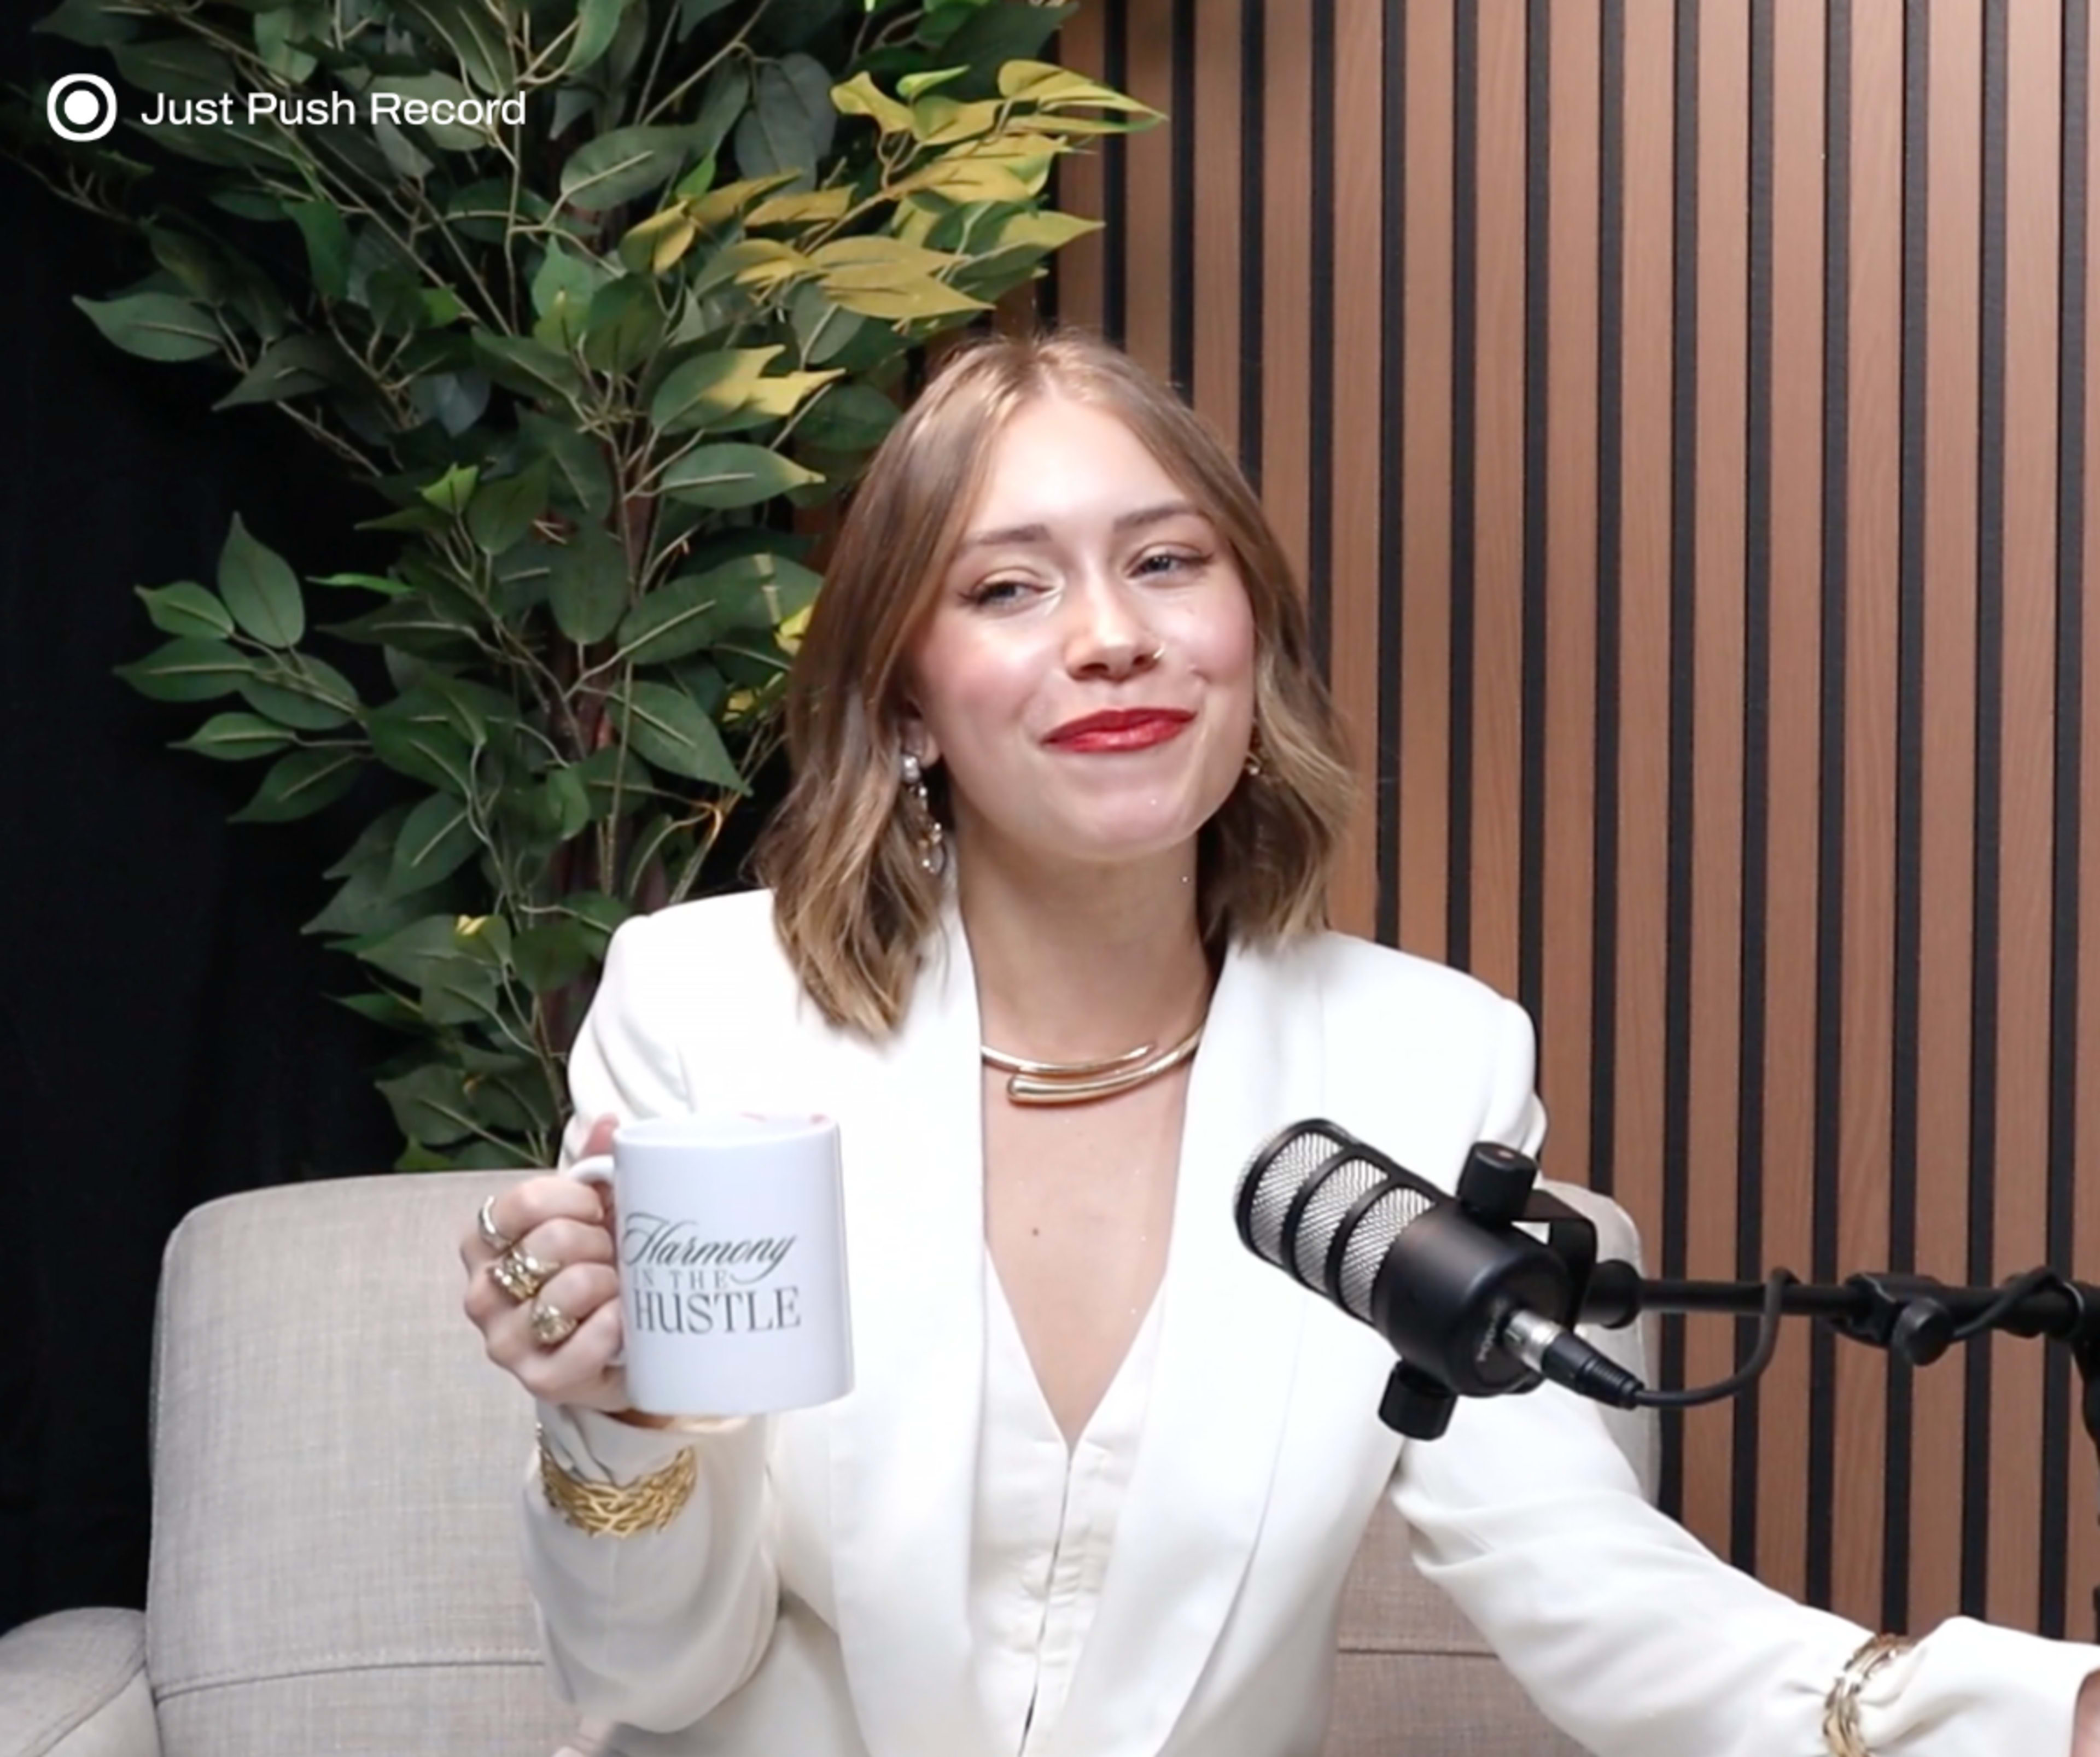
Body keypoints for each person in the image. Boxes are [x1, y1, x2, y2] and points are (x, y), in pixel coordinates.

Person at [460, 329, 2100, 1757]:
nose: (1112, 634)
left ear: (1254, 646)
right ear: (903, 703)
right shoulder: (710, 1013)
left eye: (1168, 563)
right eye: (1009, 586)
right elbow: (651, 1674)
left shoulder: (1424, 1060)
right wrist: (619, 1420)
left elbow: (1586, 1582)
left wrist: (2041, 1722)